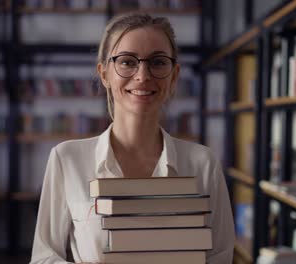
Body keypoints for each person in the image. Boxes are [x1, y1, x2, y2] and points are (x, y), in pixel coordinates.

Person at [30, 13, 234, 264]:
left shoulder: (203, 163)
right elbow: (44, 258)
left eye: (158, 62)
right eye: (127, 62)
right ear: (104, 74)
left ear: (174, 76)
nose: (142, 75)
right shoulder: (67, 159)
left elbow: (220, 258)